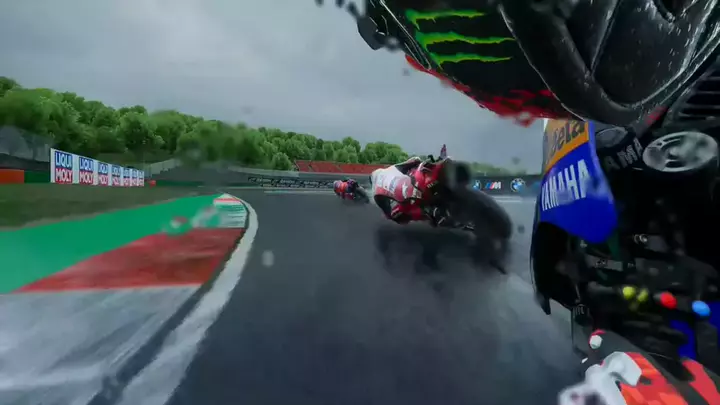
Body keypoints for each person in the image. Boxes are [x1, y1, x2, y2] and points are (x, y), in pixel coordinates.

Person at [374, 155, 447, 226]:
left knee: (398, 214)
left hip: (406, 194)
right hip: (410, 184)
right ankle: (430, 213)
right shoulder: (391, 168)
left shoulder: (377, 191)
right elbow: (415, 160)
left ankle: (430, 214)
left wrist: (390, 215)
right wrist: (420, 162)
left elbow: (387, 212)